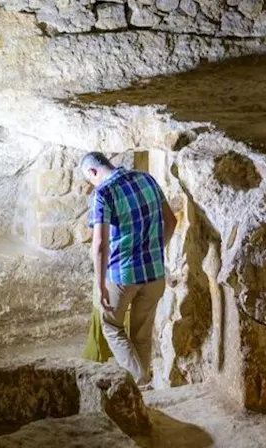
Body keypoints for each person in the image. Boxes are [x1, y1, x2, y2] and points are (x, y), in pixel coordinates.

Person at [81, 151, 177, 386]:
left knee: (111, 326)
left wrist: (101, 283)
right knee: (142, 335)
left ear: (93, 172)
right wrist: (155, 249)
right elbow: (171, 221)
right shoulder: (147, 179)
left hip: (122, 276)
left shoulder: (102, 194)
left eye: (89, 178)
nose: (91, 183)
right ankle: (142, 391)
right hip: (154, 274)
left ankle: (140, 377)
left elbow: (100, 244)